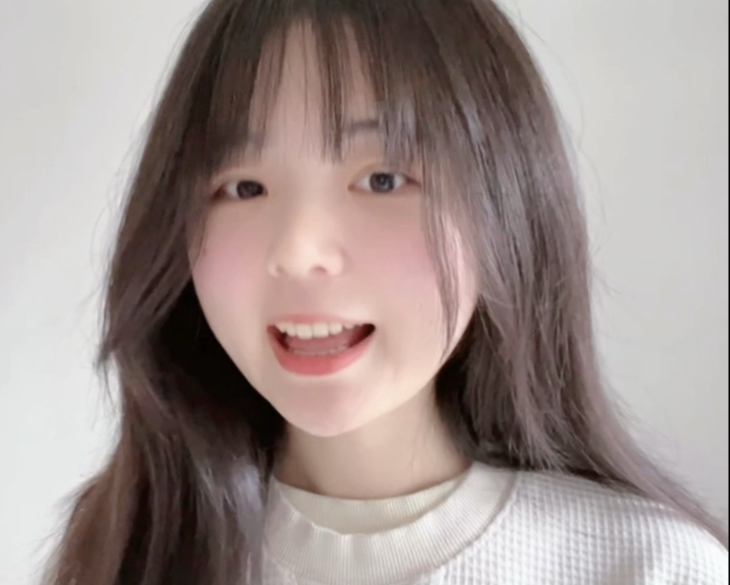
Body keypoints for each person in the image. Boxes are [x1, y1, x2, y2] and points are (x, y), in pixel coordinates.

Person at [42, 0, 728, 583]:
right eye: (244, 187)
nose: (298, 251)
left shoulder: (646, 567)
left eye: (382, 179)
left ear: (505, 208)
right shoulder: (126, 558)